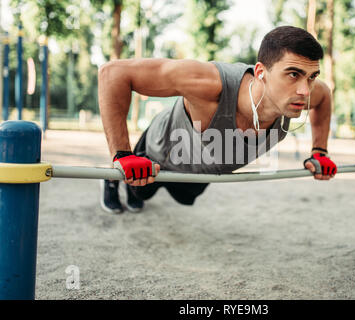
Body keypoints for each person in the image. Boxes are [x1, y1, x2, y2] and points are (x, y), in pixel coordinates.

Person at [98, 26, 337, 214]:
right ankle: (112, 181)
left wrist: (319, 151)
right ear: (261, 73)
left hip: (204, 169)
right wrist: (122, 154)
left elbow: (324, 96)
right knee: (140, 191)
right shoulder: (210, 84)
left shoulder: (304, 92)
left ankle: (133, 190)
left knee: (181, 195)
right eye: (293, 74)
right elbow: (113, 73)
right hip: (160, 152)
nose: (305, 91)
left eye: (312, 76)